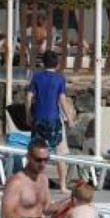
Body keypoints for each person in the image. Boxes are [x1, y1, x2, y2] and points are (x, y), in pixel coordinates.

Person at [27, 50, 74, 193]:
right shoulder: (59, 79)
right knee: (61, 153)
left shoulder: (36, 77)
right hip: (54, 119)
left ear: (43, 63)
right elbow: (62, 100)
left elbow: (28, 97)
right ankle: (62, 186)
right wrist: (69, 118)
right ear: (57, 64)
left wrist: (28, 115)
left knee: (36, 152)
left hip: (39, 119)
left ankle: (35, 183)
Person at [0, 138, 54, 218]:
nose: (43, 164)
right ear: (28, 157)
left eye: (46, 159)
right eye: (38, 160)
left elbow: (46, 208)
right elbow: (5, 216)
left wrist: (69, 201)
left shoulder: (44, 179)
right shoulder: (16, 182)